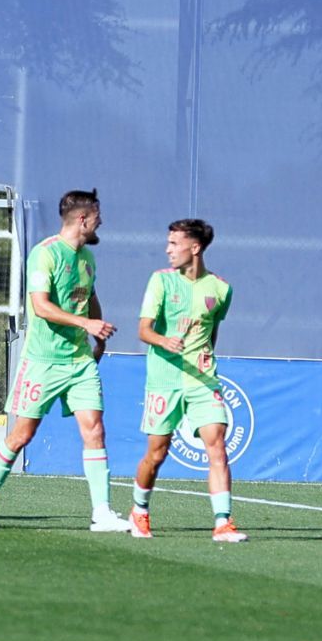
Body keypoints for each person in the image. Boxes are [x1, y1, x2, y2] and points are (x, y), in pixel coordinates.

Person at [0, 189, 131, 532]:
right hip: (43, 362)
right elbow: (41, 306)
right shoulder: (44, 254)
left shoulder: (88, 258)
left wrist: (96, 334)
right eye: (97, 215)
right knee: (22, 435)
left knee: (95, 430)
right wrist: (86, 323)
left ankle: (101, 512)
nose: (101, 221)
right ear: (83, 219)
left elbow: (89, 296)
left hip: (80, 361)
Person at [130, 219, 246, 542]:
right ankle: (139, 510)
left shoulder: (221, 289)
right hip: (164, 380)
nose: (168, 250)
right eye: (167, 243)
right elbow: (143, 330)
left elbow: (213, 331)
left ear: (194, 248)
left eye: (173, 244)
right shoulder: (160, 281)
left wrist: (204, 358)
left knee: (217, 446)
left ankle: (223, 522)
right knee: (157, 454)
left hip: (203, 381)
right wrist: (163, 341)